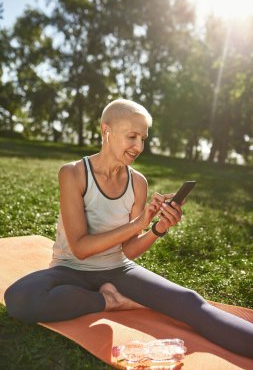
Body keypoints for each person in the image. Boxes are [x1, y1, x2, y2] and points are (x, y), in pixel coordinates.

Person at [4, 99, 253, 358]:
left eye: (143, 139)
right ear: (106, 130)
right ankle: (108, 301)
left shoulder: (138, 183)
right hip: (71, 269)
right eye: (132, 136)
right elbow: (79, 248)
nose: (139, 146)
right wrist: (138, 223)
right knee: (20, 297)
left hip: (119, 270)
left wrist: (157, 229)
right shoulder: (74, 174)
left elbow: (129, 250)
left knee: (190, 302)